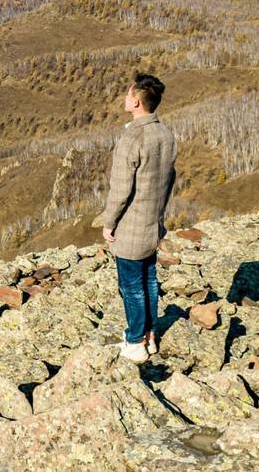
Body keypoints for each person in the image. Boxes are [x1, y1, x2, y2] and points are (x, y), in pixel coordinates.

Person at [102, 71, 176, 363]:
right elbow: (169, 180)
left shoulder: (132, 137)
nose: (124, 97)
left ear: (136, 101)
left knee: (131, 285)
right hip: (152, 223)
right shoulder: (165, 134)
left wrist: (109, 223)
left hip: (131, 226)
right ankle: (150, 336)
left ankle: (135, 341)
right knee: (149, 280)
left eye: (127, 94)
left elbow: (120, 189)